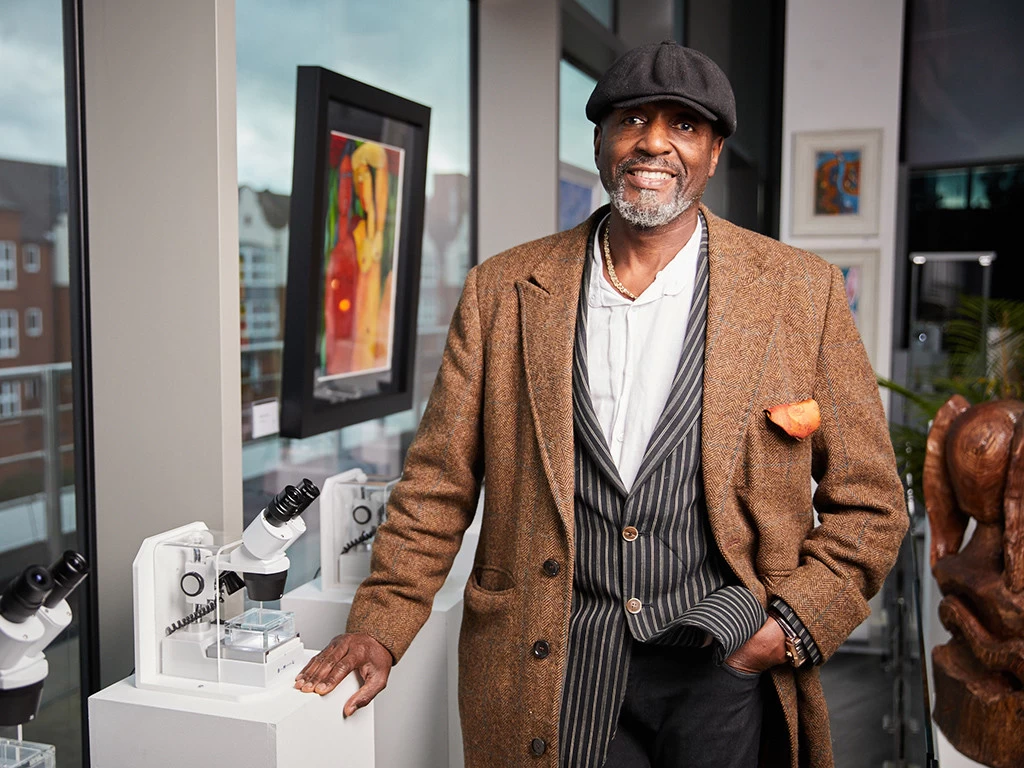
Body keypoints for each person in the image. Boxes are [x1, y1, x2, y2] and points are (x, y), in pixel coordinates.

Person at [294, 41, 908, 768]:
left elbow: (870, 500)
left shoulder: (798, 291)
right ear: (600, 142)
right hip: (551, 662)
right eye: (632, 120)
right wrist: (381, 624)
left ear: (713, 153)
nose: (653, 141)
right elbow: (438, 483)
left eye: (683, 125)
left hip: (724, 661)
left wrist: (789, 626)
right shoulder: (504, 291)